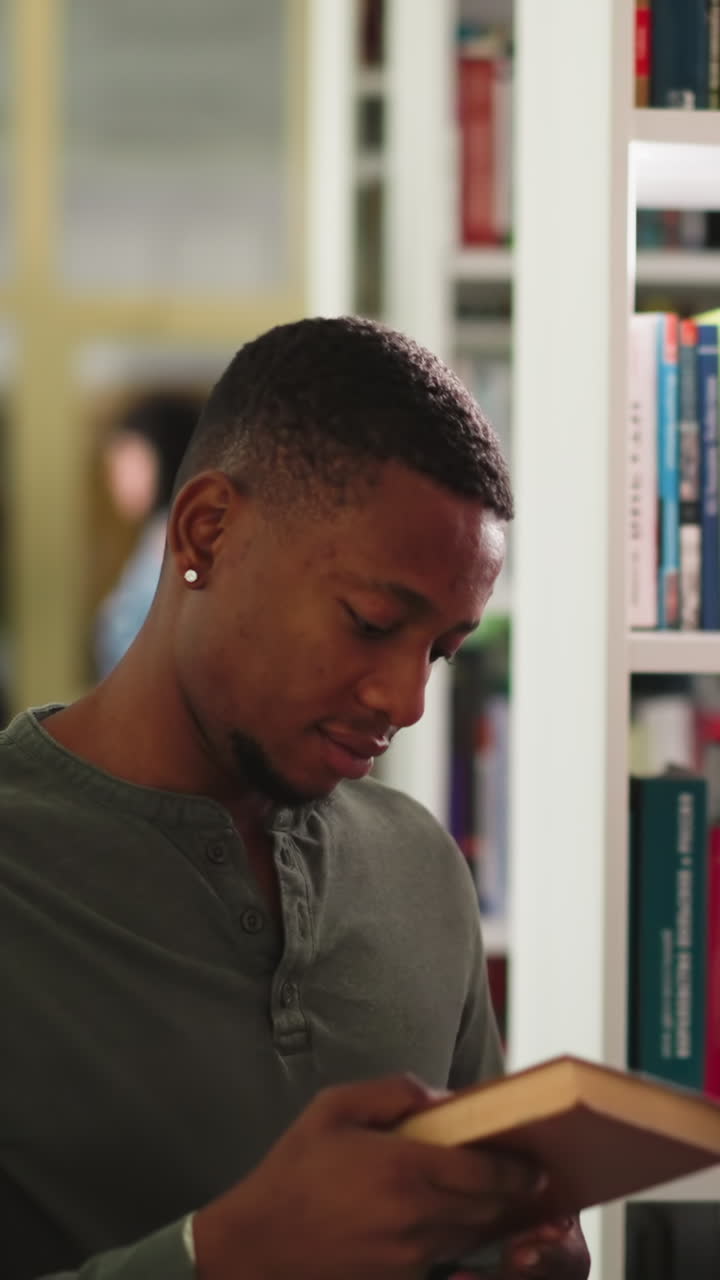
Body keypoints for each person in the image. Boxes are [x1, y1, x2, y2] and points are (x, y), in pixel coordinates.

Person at [0, 317, 590, 1280]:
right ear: (207, 532)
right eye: (372, 622)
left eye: (441, 650)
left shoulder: (420, 867)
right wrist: (221, 1257)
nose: (406, 700)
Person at [94, 390, 202, 677]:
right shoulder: (154, 537)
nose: (116, 478)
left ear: (165, 456)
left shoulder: (186, 542)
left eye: (130, 463)